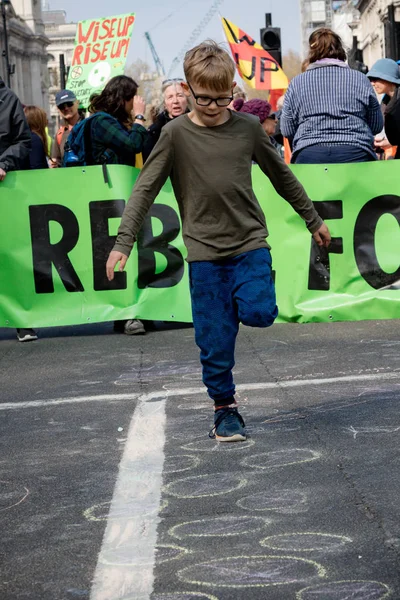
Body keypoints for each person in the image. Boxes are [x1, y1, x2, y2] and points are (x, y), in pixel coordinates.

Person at [106, 40, 331, 442]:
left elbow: (282, 176)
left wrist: (312, 219)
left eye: (223, 98)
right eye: (205, 99)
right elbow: (144, 190)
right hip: (205, 256)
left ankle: (252, 295)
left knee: (260, 311)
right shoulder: (174, 135)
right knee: (214, 341)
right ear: (189, 91)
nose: (213, 107)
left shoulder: (246, 128)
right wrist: (123, 242)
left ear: (232, 91)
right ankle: (225, 410)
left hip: (249, 245)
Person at [69, 75, 148, 335]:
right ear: (123, 99)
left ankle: (123, 313)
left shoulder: (102, 120)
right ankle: (126, 313)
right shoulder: (102, 121)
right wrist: (139, 118)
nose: (135, 103)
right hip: (109, 195)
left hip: (106, 194)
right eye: (132, 99)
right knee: (120, 251)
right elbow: (133, 144)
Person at [281, 28, 383, 164]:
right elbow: (376, 125)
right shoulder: (360, 79)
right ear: (340, 49)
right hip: (356, 153)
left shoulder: (296, 83)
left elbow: (286, 128)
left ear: (311, 52)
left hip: (309, 155)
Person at [0, 76, 37, 342]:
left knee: (13, 256)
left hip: (5, 189)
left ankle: (23, 321)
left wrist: (4, 163)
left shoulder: (8, 99)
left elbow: (24, 142)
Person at [143, 78, 188, 161]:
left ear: (187, 100)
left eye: (180, 95)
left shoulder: (198, 124)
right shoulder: (154, 131)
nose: (175, 101)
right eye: (170, 97)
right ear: (164, 104)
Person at [367, 58, 400, 159]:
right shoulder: (385, 102)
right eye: (371, 80)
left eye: (375, 79)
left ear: (389, 79)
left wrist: (391, 142)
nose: (372, 83)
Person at [51, 90, 83, 167]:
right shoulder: (60, 134)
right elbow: (56, 161)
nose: (66, 108)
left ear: (77, 103)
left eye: (69, 104)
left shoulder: (90, 126)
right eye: (61, 106)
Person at [23, 106, 49, 170]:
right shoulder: (34, 139)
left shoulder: (26, 138)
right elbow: (36, 166)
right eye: (44, 118)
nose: (47, 121)